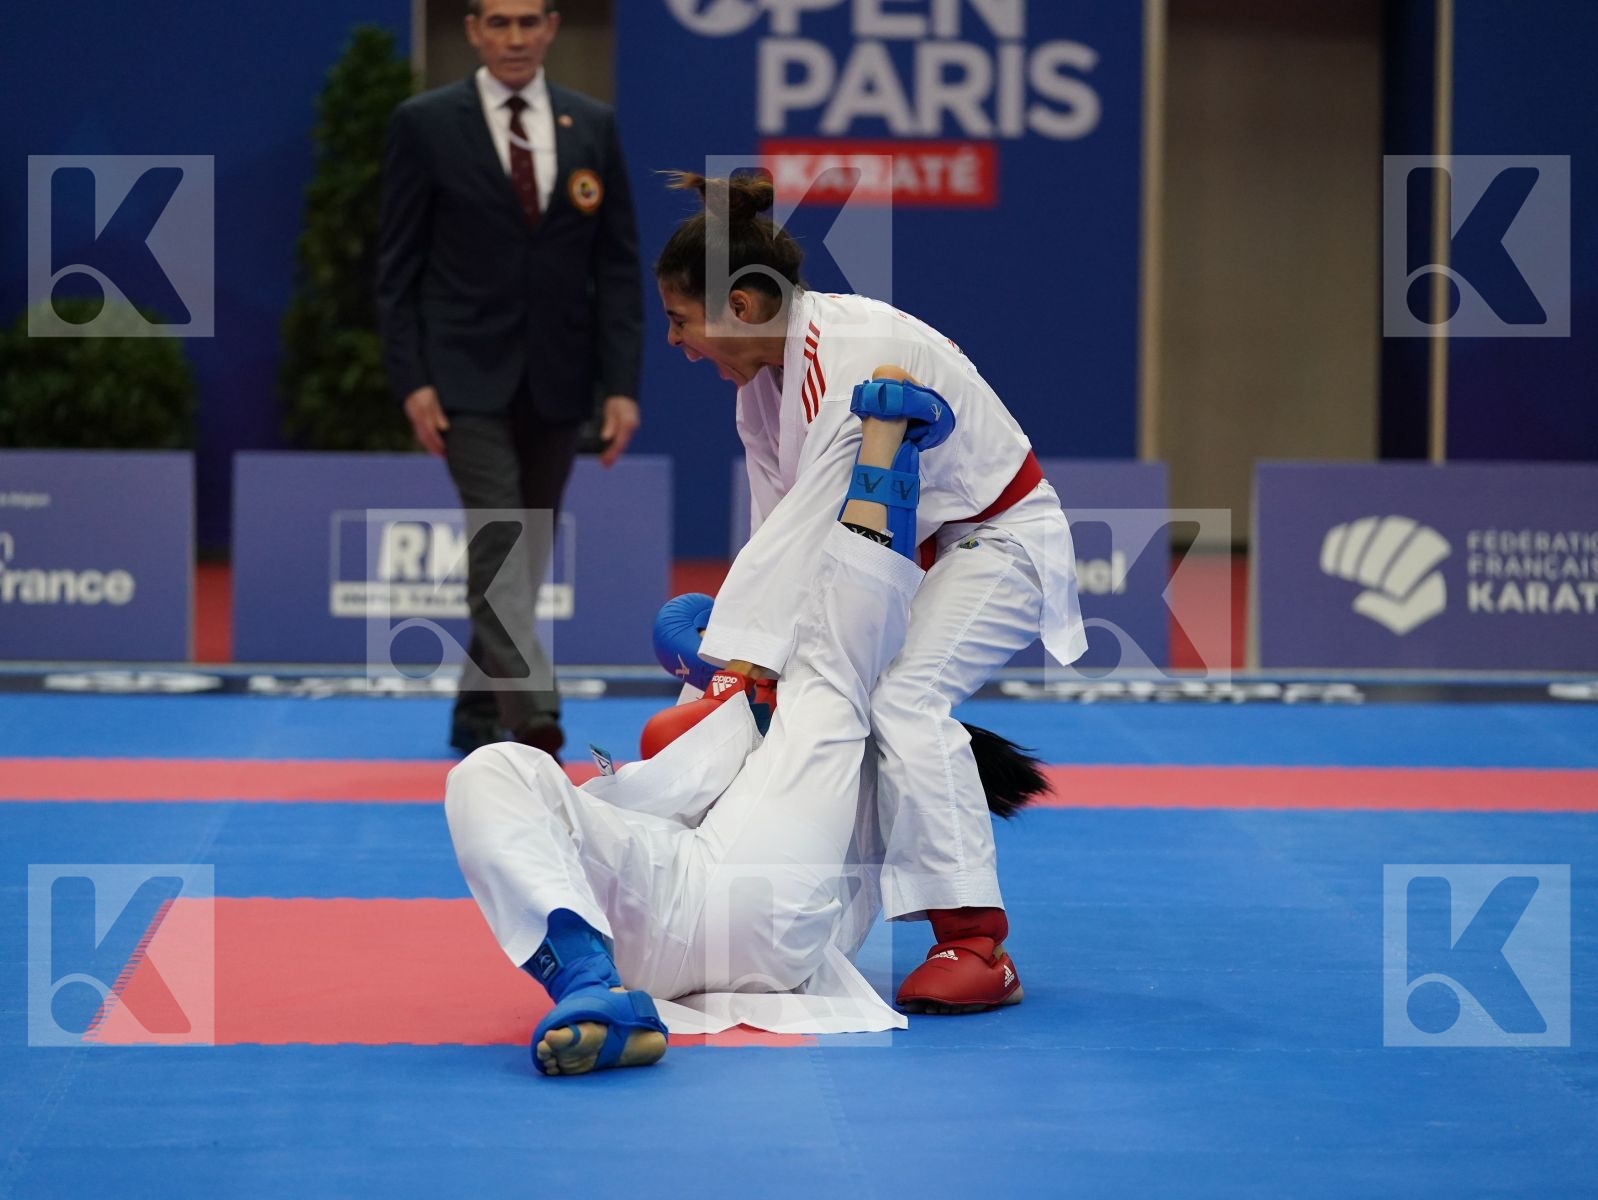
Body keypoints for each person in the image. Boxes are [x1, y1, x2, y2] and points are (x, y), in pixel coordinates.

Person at [653, 173, 1087, 1014]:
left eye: (679, 321)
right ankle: (770, 913)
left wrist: (740, 667)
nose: (675, 343)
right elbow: (778, 541)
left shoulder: (847, 359)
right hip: (921, 555)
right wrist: (748, 667)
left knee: (901, 700)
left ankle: (976, 944)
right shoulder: (766, 387)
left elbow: (825, 541)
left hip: (999, 540)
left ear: (739, 306)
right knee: (826, 699)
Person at [447, 405, 941, 1076]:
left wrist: (891, 446)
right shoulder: (720, 680)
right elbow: (668, 779)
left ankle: (886, 443)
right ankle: (590, 987)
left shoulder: (844, 686)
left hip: (757, 900)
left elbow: (859, 610)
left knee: (834, 668)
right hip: (648, 920)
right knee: (489, 771)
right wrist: (728, 686)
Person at [377, 0, 643, 758]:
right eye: (499, 23)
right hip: (463, 376)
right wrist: (412, 379)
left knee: (521, 555)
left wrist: (621, 385)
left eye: (529, 22)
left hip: (561, 379)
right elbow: (397, 268)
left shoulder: (590, 123)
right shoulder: (424, 124)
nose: (516, 38)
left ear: (552, 27)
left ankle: (473, 703)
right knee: (501, 543)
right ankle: (533, 714)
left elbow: (617, 265)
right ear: (473, 32)